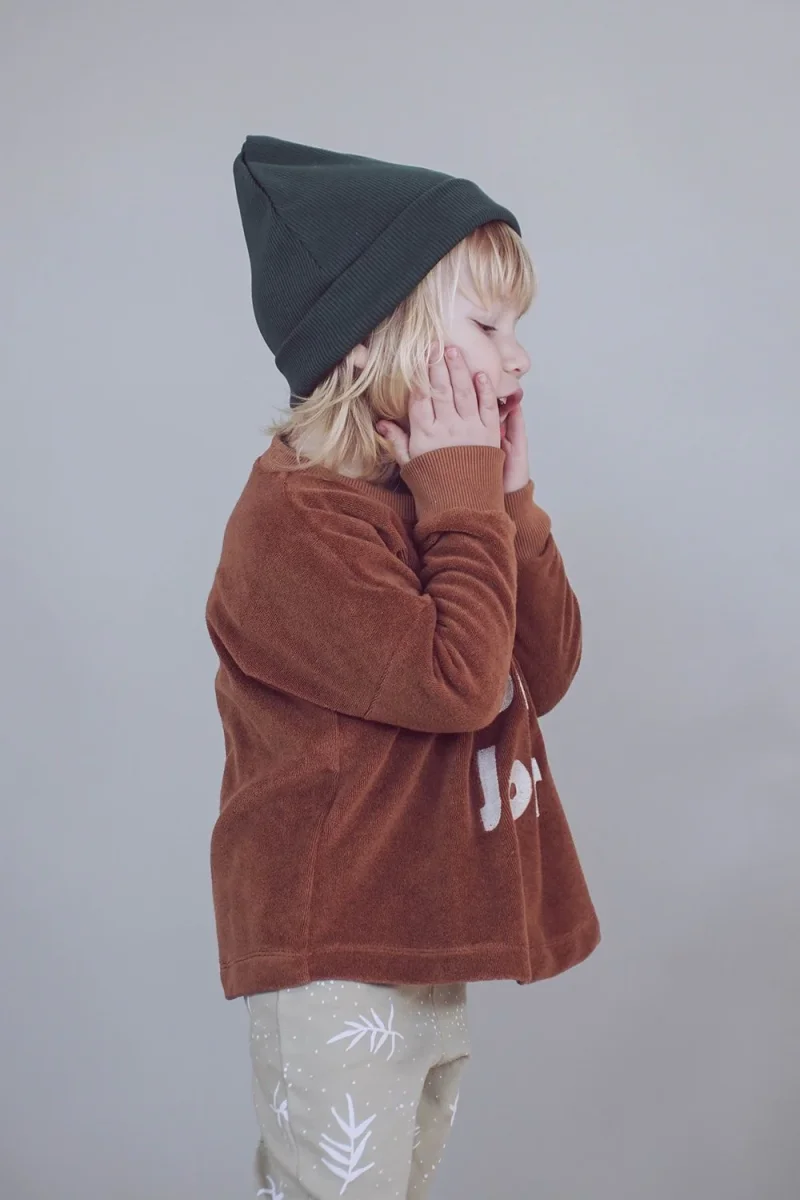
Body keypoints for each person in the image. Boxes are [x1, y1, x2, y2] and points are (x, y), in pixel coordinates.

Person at [205, 133, 601, 1200]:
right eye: (486, 326)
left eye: (517, 327)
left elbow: (543, 669)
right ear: (369, 338)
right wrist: (466, 496)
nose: (518, 357)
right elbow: (460, 683)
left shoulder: (431, 497)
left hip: (418, 936)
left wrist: (508, 506)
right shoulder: (295, 523)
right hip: (334, 948)